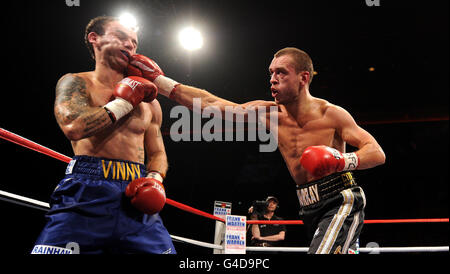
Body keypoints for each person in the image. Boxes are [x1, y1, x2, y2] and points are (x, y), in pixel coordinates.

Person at [126, 47, 386, 254]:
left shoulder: (332, 114)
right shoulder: (269, 113)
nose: (273, 79)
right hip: (308, 205)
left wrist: (341, 160)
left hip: (341, 199)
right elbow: (212, 103)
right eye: (271, 73)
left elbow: (376, 152)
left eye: (282, 73)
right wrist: (159, 81)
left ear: (303, 78)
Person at [32, 16, 175, 254]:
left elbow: (158, 152)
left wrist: (155, 180)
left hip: (136, 191)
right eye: (121, 36)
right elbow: (73, 127)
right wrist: (124, 103)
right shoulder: (76, 82)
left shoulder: (151, 103)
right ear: (94, 38)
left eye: (134, 42)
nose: (130, 45)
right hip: (86, 190)